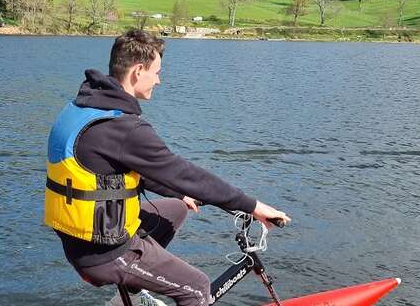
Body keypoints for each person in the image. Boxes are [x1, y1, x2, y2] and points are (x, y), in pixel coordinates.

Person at [44, 29, 290, 306]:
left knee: (175, 208)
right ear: (138, 71)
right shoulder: (122, 128)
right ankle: (130, 274)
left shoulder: (86, 108)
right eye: (157, 72)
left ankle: (131, 296)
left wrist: (180, 193)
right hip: (103, 252)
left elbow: (112, 171)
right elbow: (184, 173)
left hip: (83, 235)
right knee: (197, 288)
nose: (159, 80)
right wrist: (253, 205)